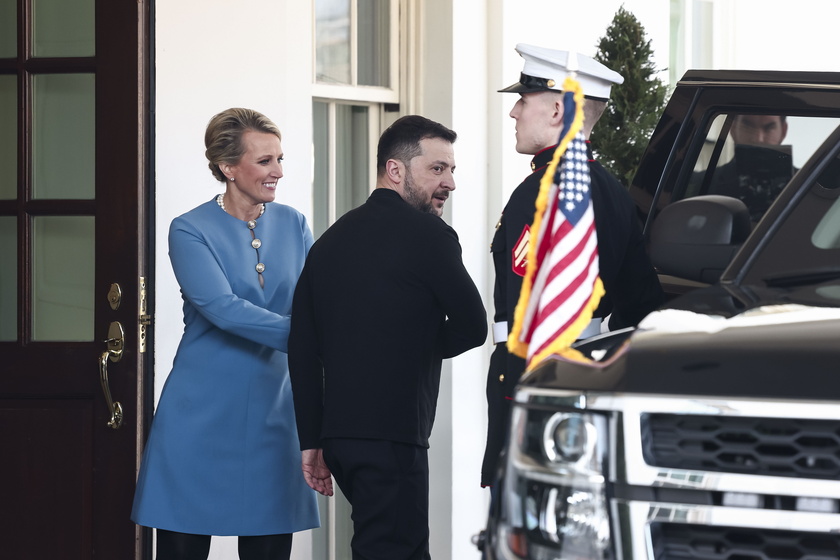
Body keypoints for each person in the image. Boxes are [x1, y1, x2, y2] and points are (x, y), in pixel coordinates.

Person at [288, 115, 488, 560]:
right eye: (437, 169)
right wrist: (413, 345)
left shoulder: (329, 241)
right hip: (393, 437)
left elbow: (302, 347)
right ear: (395, 170)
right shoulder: (431, 236)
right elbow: (474, 326)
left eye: (451, 170)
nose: (450, 182)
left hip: (339, 439)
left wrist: (312, 441)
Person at [131, 108, 320, 560]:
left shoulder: (294, 223)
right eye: (265, 161)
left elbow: (316, 305)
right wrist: (309, 341)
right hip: (198, 417)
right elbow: (221, 308)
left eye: (280, 159)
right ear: (227, 167)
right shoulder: (189, 228)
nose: (278, 172)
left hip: (275, 416)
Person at [481, 44, 664, 489]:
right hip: (594, 374)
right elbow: (643, 304)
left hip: (537, 381)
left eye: (523, 101)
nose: (514, 114)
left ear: (558, 109)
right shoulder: (614, 192)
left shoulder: (540, 192)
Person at [706, 114, 792, 221]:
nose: (758, 138)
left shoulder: (805, 184)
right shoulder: (704, 182)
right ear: (733, 129)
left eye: (769, 128)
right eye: (748, 126)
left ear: (783, 131)